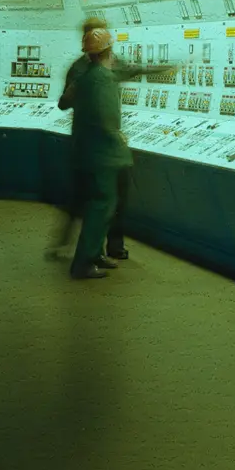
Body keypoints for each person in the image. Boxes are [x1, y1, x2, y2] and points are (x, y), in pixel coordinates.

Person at [49, 16, 145, 261]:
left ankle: (108, 248)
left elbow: (131, 70)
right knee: (95, 200)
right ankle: (88, 253)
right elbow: (65, 103)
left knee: (106, 200)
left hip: (96, 145)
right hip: (97, 147)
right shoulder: (84, 72)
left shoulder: (100, 67)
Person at [67, 27, 135, 280]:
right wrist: (119, 143)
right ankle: (83, 263)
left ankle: (95, 254)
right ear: (109, 51)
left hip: (88, 152)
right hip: (103, 155)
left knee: (100, 206)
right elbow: (108, 119)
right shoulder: (103, 79)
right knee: (101, 208)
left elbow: (64, 102)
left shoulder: (84, 76)